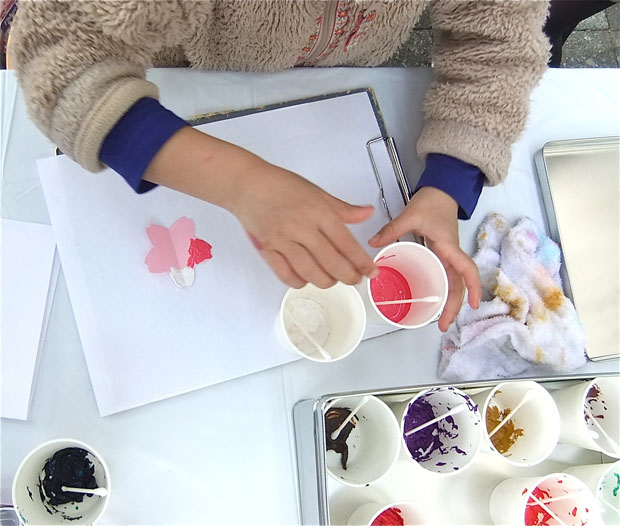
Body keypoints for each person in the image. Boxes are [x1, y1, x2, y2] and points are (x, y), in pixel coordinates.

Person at [9, 1, 551, 332]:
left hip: (335, 86)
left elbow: (499, 41)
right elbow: (61, 60)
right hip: (190, 81)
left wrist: (450, 181)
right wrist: (240, 182)